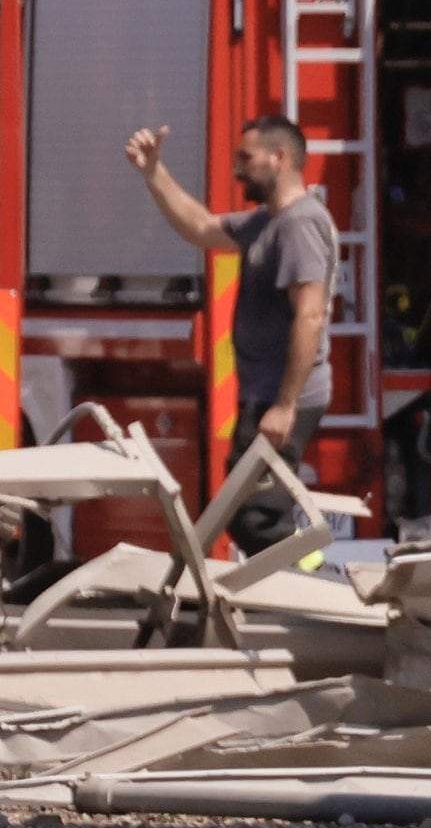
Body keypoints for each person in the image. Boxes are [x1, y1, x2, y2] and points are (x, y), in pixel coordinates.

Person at [125, 114, 335, 550]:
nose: (236, 168)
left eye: (246, 157)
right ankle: (292, 583)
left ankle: (304, 581)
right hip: (264, 394)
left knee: (252, 514)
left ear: (279, 158)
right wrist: (153, 173)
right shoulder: (268, 222)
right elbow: (200, 228)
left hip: (280, 398)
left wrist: (285, 405)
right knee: (249, 510)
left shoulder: (298, 225)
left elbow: (309, 316)